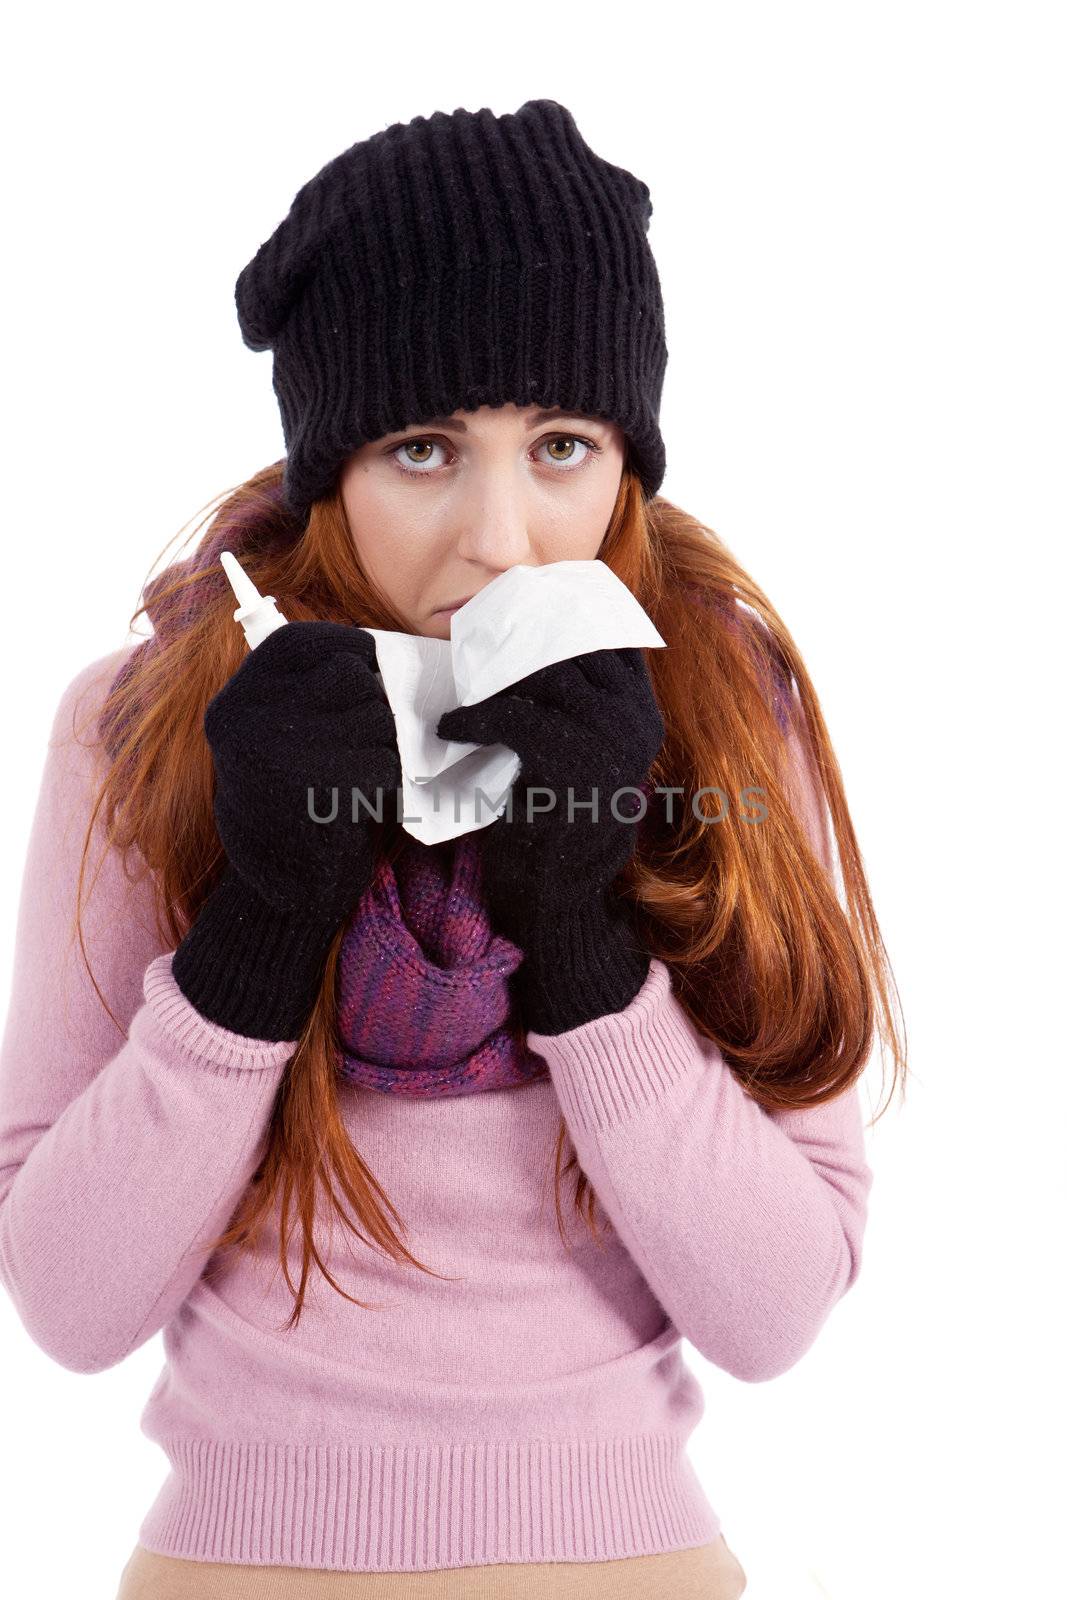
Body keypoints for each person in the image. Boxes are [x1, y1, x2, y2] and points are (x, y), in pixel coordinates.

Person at [0, 99, 905, 1598]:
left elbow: (776, 1310)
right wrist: (262, 927)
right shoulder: (149, 726)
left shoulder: (724, 722)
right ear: (331, 469)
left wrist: (584, 931)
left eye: (561, 445)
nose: (502, 538)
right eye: (424, 449)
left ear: (628, 461)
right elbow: (72, 1302)